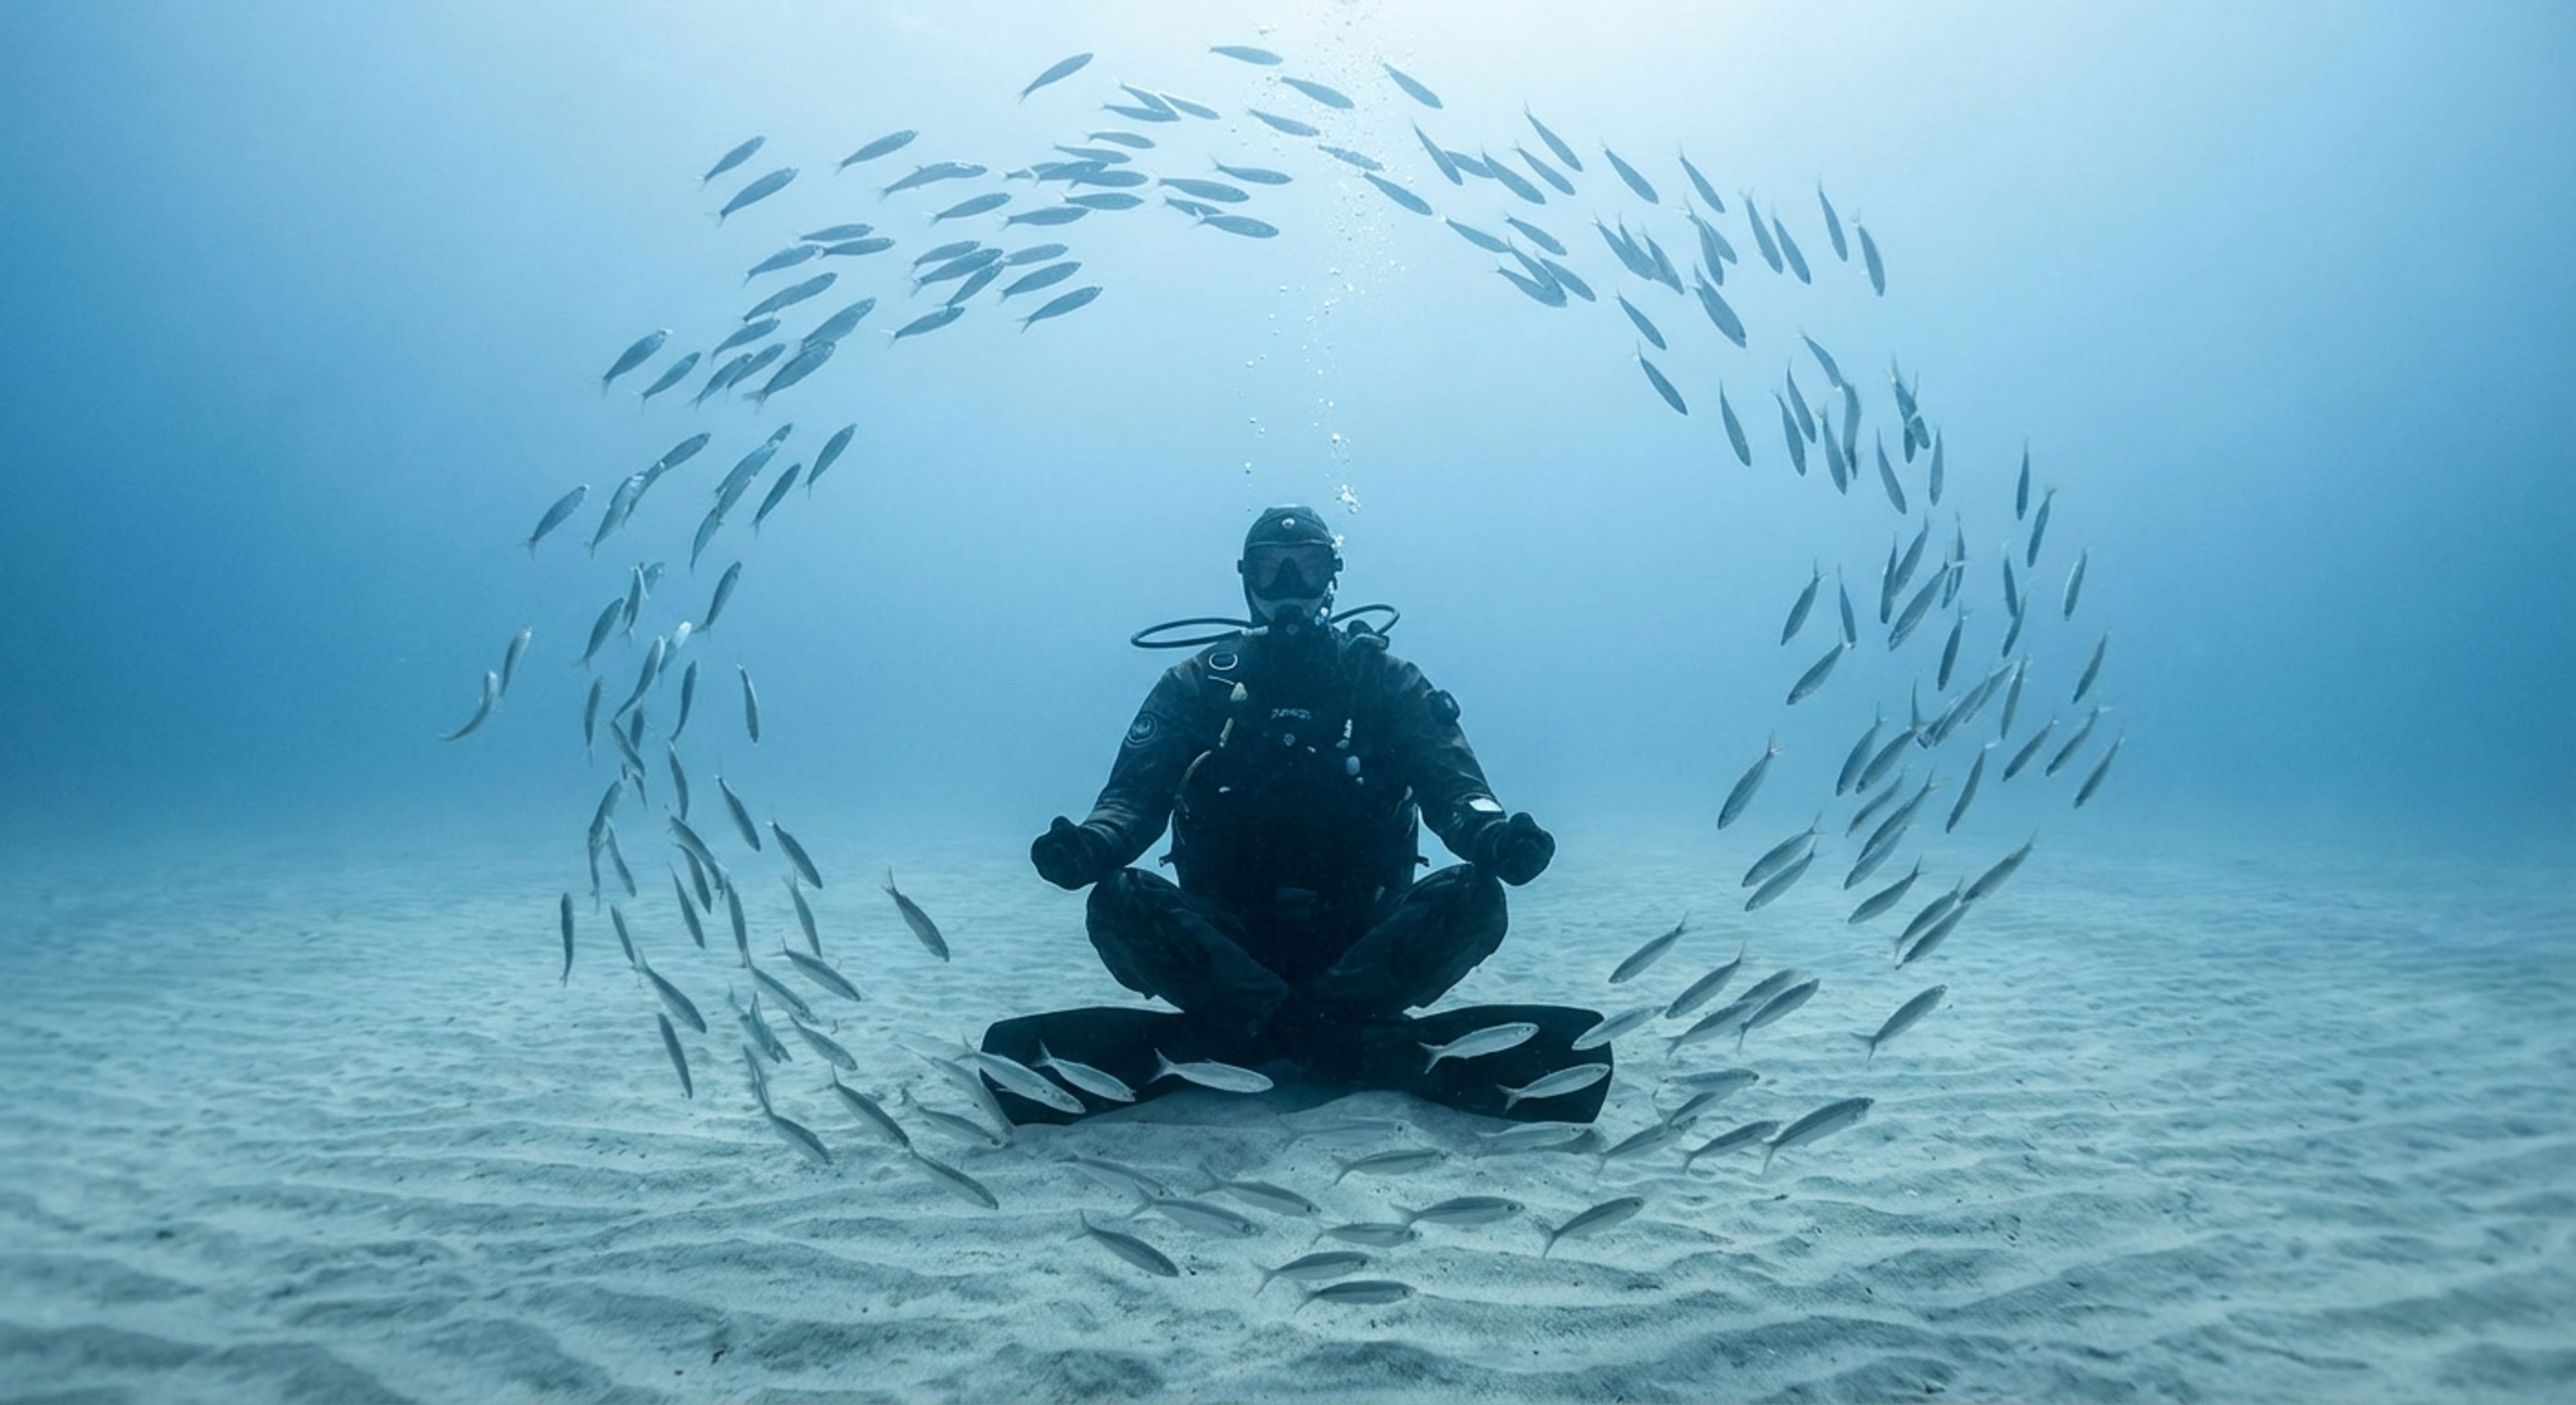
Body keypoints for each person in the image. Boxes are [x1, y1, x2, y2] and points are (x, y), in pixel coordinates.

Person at [978, 505, 1610, 1124]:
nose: (1288, 588)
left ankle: (1257, 1037)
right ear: (1246, 579)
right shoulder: (1199, 683)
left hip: (1365, 943)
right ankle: (1339, 1039)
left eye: (1305, 568)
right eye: (1270, 569)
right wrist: (1089, 846)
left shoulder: (1386, 682)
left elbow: (1459, 792)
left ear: (1332, 577)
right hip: (1226, 944)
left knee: (1477, 893)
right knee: (1116, 897)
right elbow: (1129, 802)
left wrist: (1498, 839)